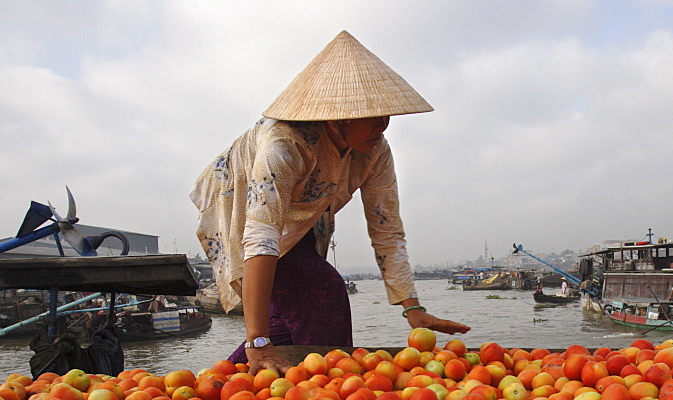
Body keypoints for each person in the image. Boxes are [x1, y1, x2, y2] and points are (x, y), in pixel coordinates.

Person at [190, 31, 469, 374]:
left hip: (304, 219)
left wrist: (413, 307)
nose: (382, 125)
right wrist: (257, 340)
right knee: (322, 289)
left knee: (294, 315)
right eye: (370, 116)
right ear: (338, 117)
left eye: (385, 114)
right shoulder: (284, 145)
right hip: (242, 209)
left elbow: (387, 228)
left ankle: (221, 382)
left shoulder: (375, 151)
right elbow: (261, 234)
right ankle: (329, 379)